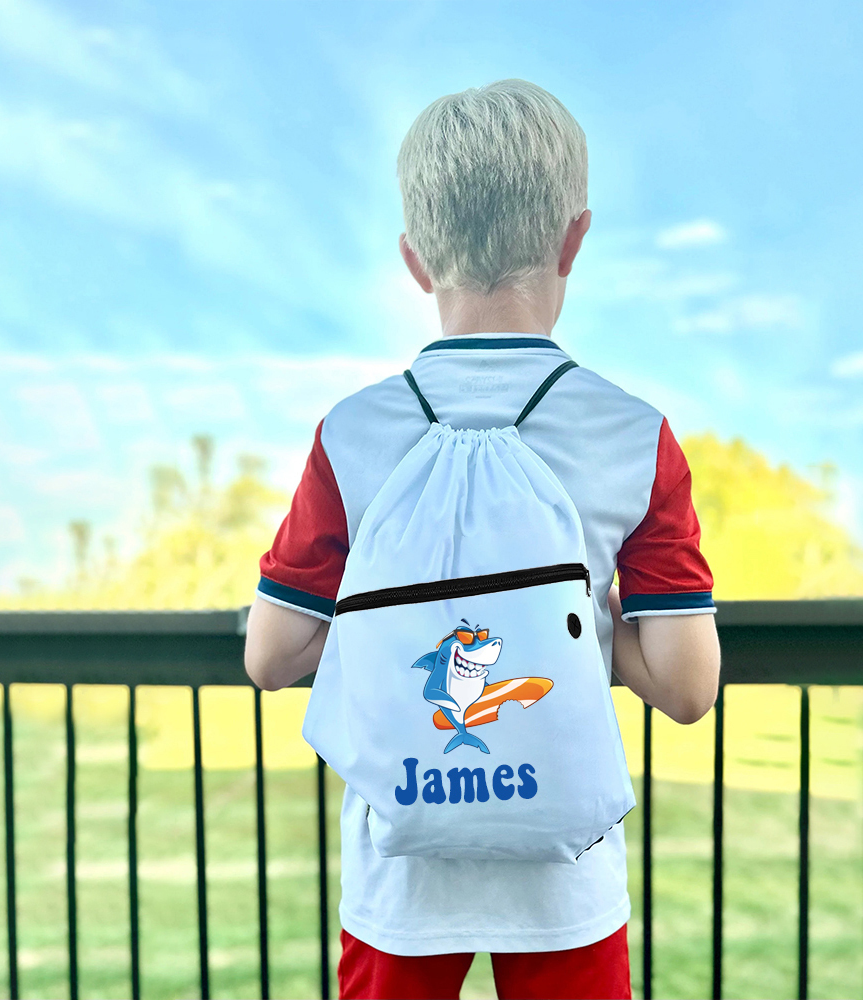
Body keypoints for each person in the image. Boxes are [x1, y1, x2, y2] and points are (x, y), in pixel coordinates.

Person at [244, 78, 721, 1000]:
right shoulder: (634, 435)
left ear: (416, 260)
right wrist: (576, 613)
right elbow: (689, 685)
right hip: (563, 880)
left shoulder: (353, 432)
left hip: (400, 868)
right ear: (574, 240)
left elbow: (271, 655)